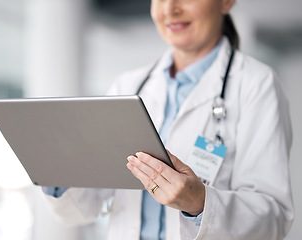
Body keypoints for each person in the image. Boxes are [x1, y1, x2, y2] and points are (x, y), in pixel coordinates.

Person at [42, 0, 294, 239]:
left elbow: (273, 218)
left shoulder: (256, 84)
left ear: (226, 2)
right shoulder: (128, 85)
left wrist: (200, 203)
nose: (170, 9)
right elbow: (85, 204)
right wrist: (57, 173)